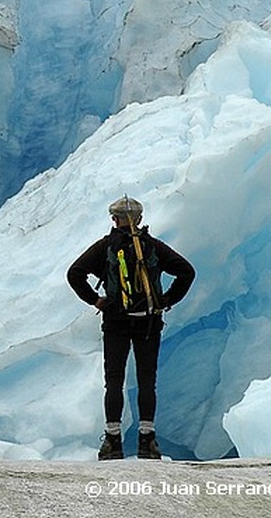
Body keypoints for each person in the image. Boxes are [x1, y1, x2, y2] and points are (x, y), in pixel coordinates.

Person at [66, 196, 195, 460]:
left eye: (116, 217)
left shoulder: (106, 247)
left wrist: (98, 300)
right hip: (149, 322)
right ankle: (147, 441)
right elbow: (186, 272)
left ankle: (113, 442)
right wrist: (166, 300)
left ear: (117, 219)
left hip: (116, 324)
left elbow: (74, 273)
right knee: (147, 380)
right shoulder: (153, 247)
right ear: (139, 218)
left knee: (114, 380)